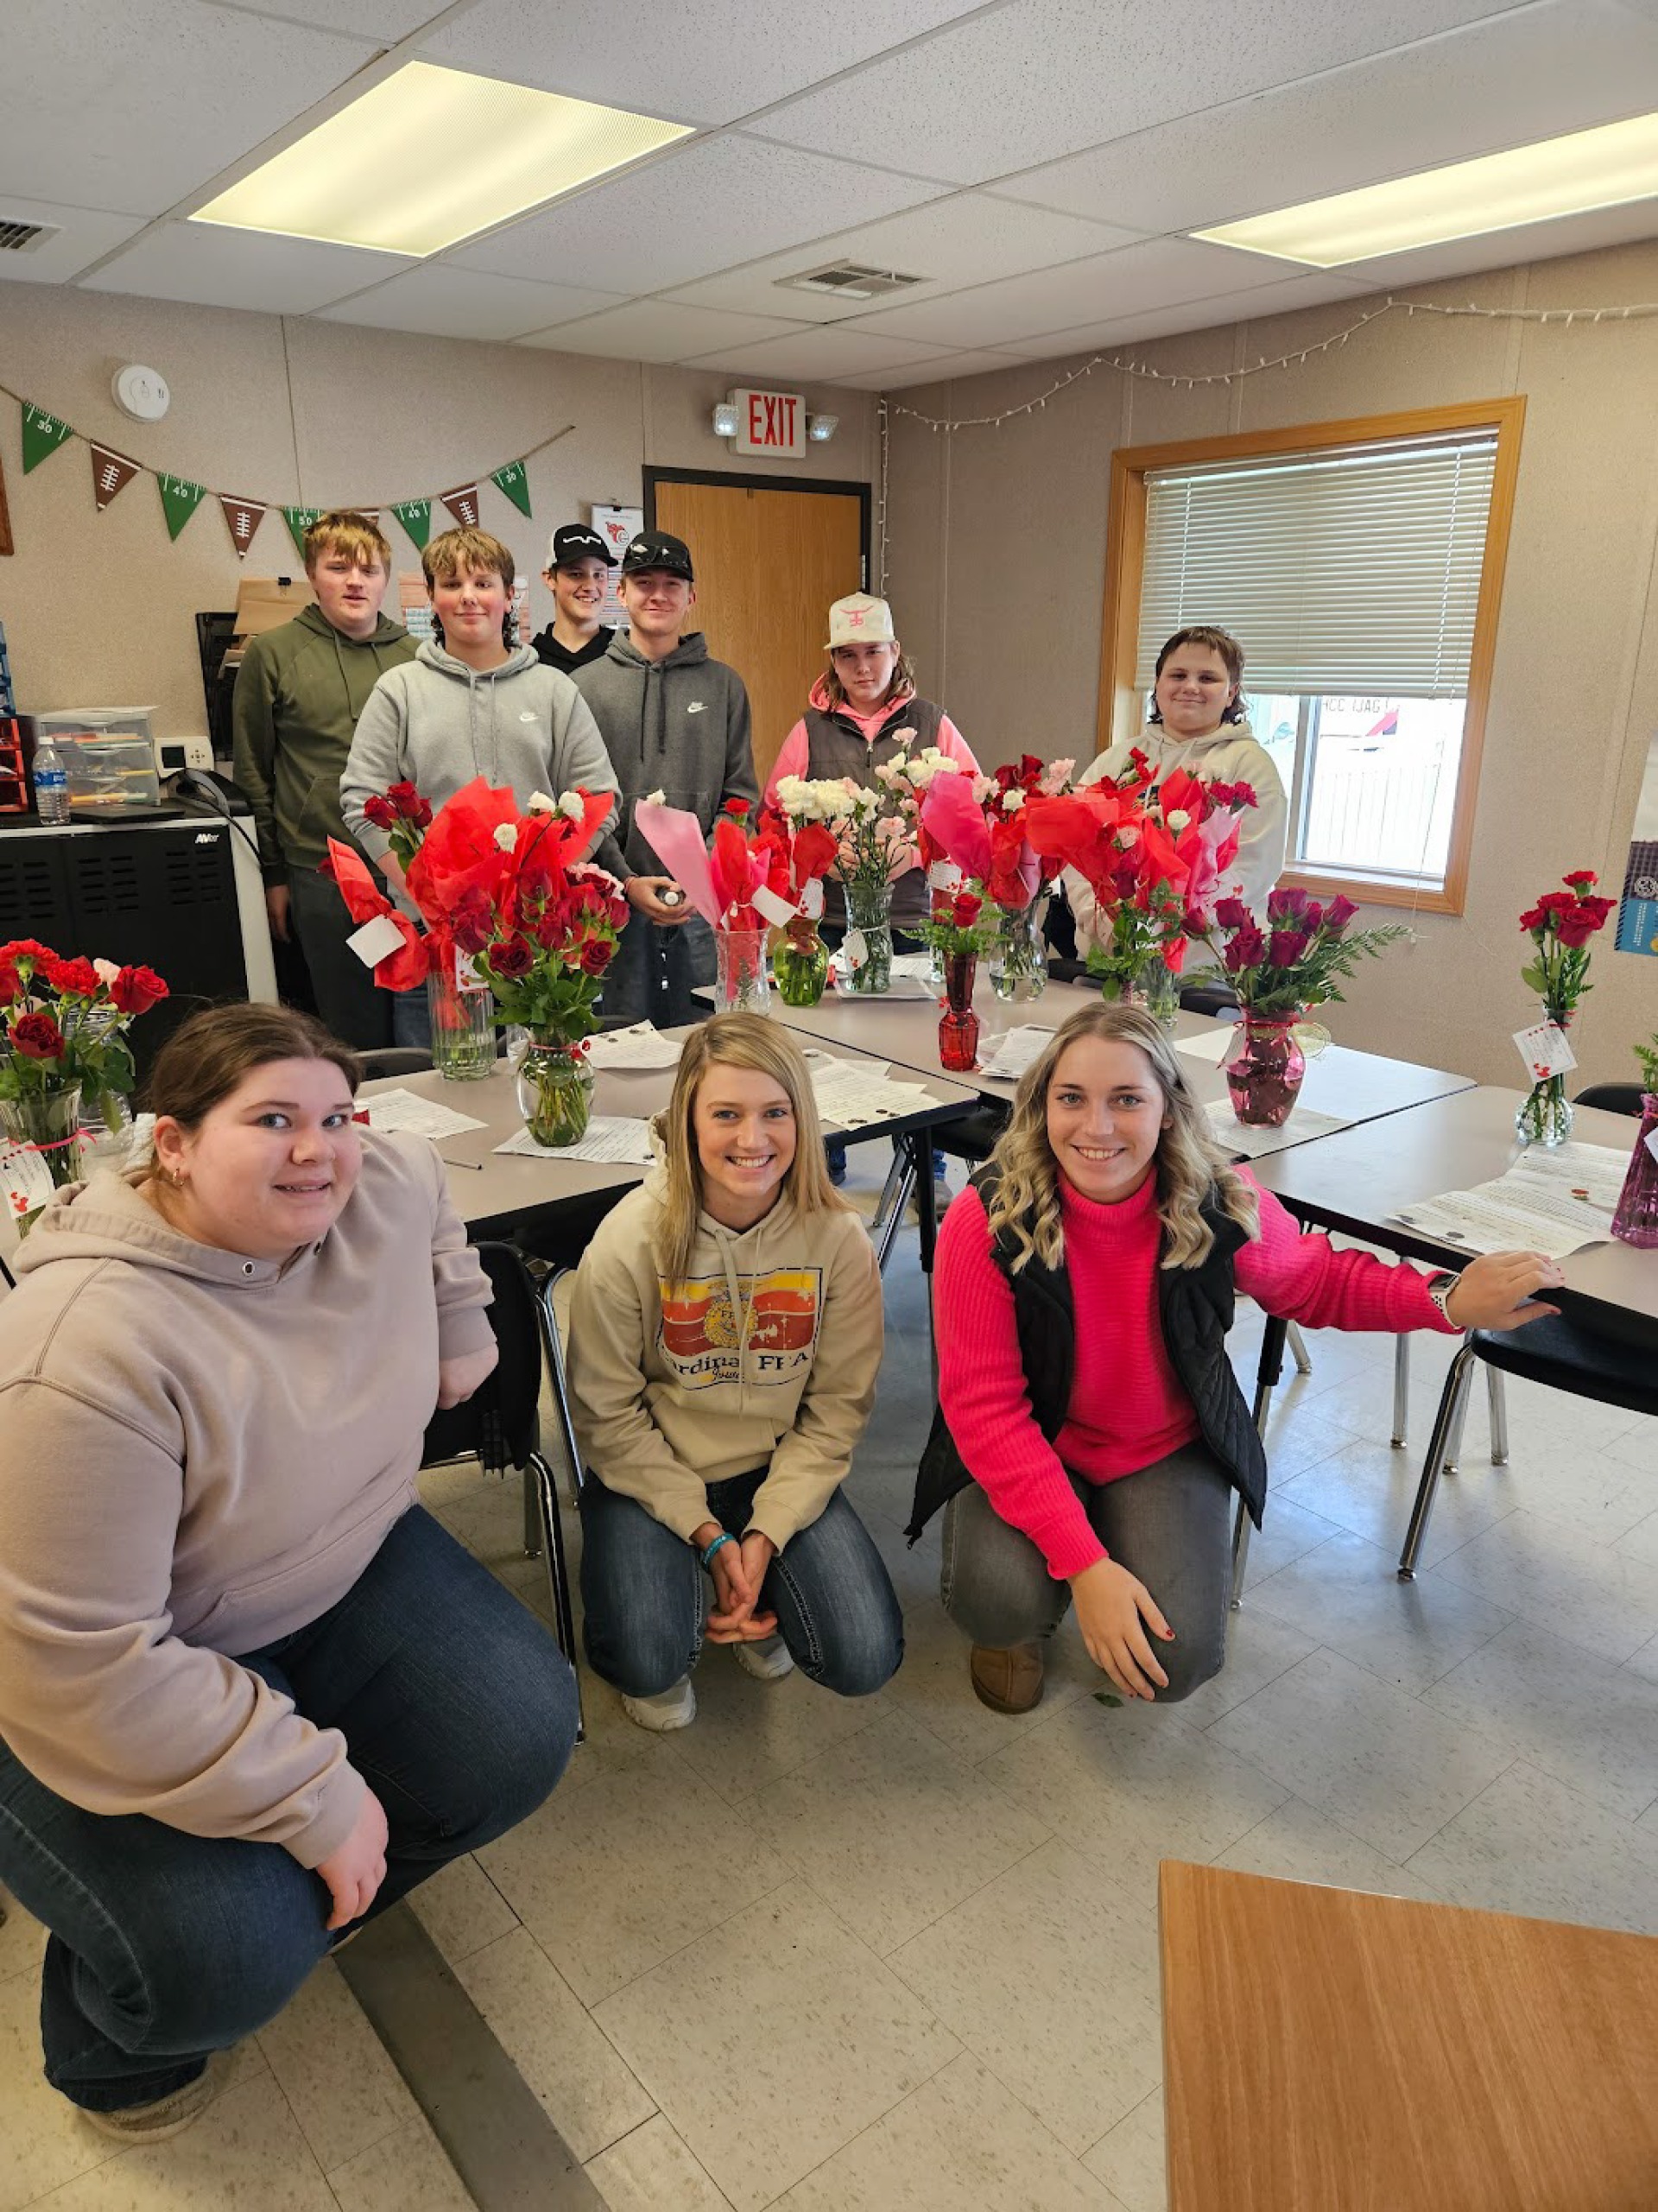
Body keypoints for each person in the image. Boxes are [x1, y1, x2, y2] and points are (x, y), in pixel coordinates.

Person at [0, 1005, 578, 2139]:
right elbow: (83, 1666)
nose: (318, 1148)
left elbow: (419, 1182)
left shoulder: (373, 1180)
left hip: (334, 1558)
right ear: (170, 1142)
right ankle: (111, 2043)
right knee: (219, 1955)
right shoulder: (83, 1357)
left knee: (518, 1735)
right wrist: (311, 1795)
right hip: (108, 1662)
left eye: (332, 1114)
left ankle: (312, 1884)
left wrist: (464, 1316)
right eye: (271, 1119)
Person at [908, 1002, 1563, 1716]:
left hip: (1159, 1445)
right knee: (997, 1599)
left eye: (1127, 1099)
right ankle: (1021, 1624)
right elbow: (985, 1409)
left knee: (1177, 1657)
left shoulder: (1215, 1198)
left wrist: (1445, 1300)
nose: (1096, 1128)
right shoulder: (987, 1216)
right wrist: (1087, 1564)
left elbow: (1316, 1281)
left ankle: (1096, 1539)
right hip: (1036, 1440)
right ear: (1043, 1107)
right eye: (1072, 1098)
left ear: (1166, 1110)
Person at [566, 1013, 902, 1732]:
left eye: (774, 1113)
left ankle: (759, 1588)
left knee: (865, 1651)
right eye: (726, 1114)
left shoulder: (839, 1241)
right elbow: (605, 1416)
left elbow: (837, 1410)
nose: (752, 1140)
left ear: (802, 1120)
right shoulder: (630, 1237)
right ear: (687, 1121)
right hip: (654, 1467)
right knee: (648, 1653)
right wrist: (703, 1530)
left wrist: (764, 1533)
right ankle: (682, 1605)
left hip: (774, 1464)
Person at [340, 526, 627, 1043]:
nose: (468, 596)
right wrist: (422, 892)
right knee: (442, 1099)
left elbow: (599, 797)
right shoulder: (399, 691)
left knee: (543, 1086)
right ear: (431, 598)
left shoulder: (554, 690)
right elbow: (362, 801)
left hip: (540, 945)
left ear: (509, 595)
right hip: (436, 939)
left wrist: (543, 885)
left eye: (483, 582)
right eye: (451, 584)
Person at [766, 591, 978, 1183]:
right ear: (832, 660)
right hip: (832, 919)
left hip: (911, 913)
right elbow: (777, 813)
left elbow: (971, 809)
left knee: (913, 1054)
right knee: (829, 1052)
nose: (862, 667)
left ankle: (926, 1164)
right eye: (848, 655)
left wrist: (913, 848)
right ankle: (827, 1167)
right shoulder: (808, 730)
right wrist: (823, 855)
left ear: (896, 652)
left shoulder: (934, 723)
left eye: (874, 652)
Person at [232, 510, 417, 1048]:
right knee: (349, 1024)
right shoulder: (272, 654)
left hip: (408, 867)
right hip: (321, 869)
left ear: (385, 578)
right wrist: (274, 876)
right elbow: (253, 771)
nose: (355, 581)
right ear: (313, 574)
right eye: (339, 568)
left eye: (369, 569)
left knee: (421, 1016)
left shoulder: (417, 657)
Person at [573, 531, 757, 1026]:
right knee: (618, 1044)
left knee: (707, 1037)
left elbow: (740, 795)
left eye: (672, 583)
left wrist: (703, 875)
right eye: (644, 582)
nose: (658, 594)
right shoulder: (582, 688)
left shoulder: (725, 686)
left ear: (691, 596)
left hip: (701, 905)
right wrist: (626, 881)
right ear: (622, 592)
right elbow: (581, 807)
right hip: (610, 904)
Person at [1068, 624, 1288, 947]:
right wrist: (1100, 915)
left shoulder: (1250, 765)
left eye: (1208, 678)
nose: (1191, 687)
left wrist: (1171, 926)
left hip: (1205, 963)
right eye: (1178, 675)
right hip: (1109, 951)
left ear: (1231, 692)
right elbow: (1077, 845)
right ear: (1157, 684)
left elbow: (1255, 866)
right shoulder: (1118, 760)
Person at [531, 521, 617, 676]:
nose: (590, 586)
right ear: (550, 578)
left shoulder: (625, 655)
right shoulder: (530, 662)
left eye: (599, 575)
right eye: (576, 574)